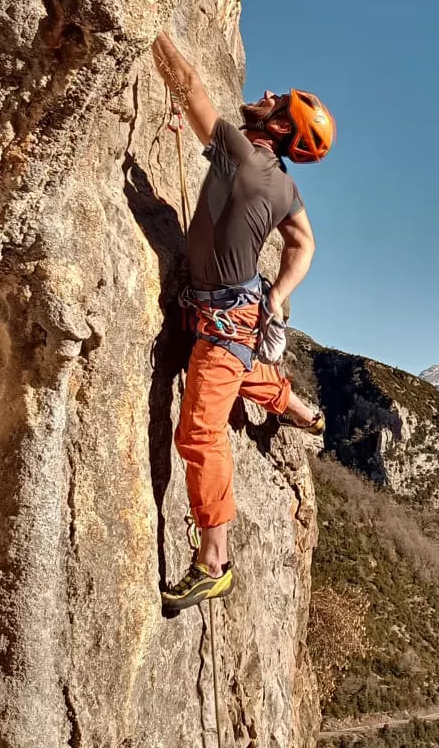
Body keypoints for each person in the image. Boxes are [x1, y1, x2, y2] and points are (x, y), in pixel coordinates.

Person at [150, 31, 334, 614]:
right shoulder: (282, 185)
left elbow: (192, 90)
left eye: (279, 103)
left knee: (200, 432)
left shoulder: (241, 151)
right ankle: (300, 409)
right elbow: (304, 244)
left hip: (223, 322)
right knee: (233, 369)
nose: (269, 94)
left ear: (279, 128)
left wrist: (152, 25)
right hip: (239, 310)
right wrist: (278, 293)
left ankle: (213, 563)